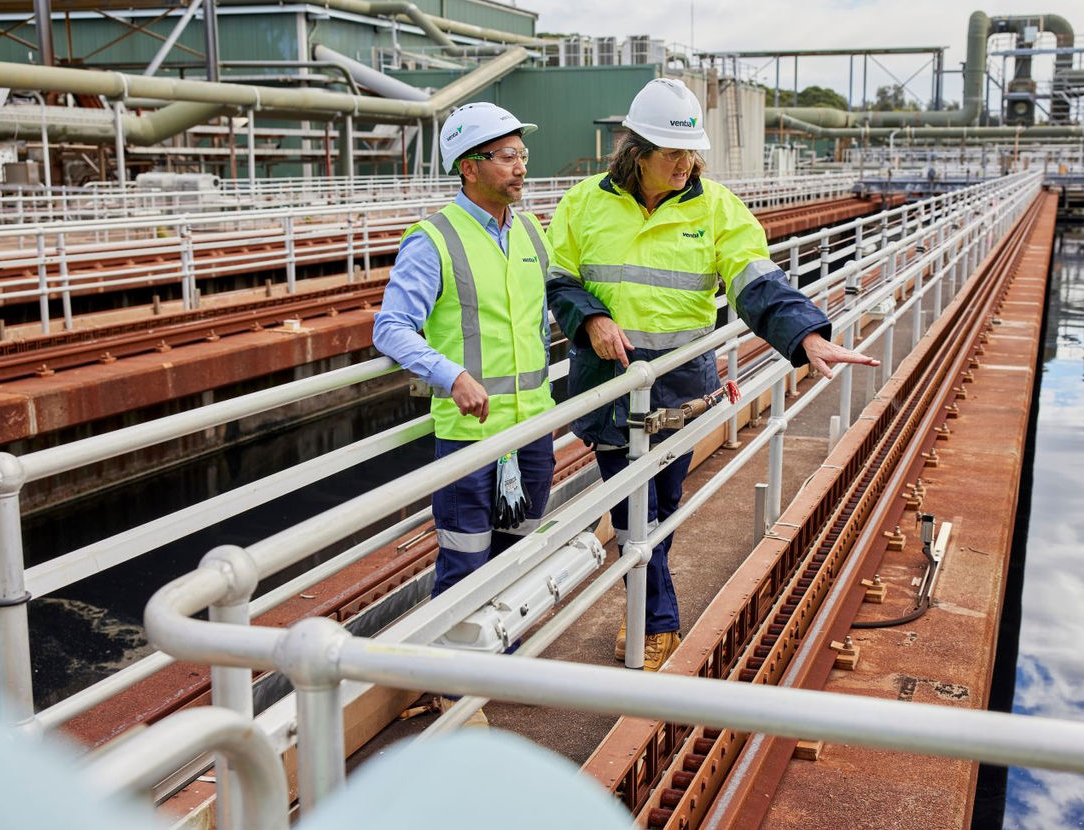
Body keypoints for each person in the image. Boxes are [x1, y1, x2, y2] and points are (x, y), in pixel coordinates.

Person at [545, 78, 879, 672]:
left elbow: (754, 278)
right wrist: (590, 317)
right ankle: (655, 622)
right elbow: (559, 279)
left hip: (680, 392)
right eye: (673, 153)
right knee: (633, 512)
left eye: (692, 152)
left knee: (662, 506)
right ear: (638, 151)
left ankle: (646, 602)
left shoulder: (716, 207)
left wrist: (804, 334)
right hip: (611, 386)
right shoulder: (583, 204)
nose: (686, 163)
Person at [373, 103, 556, 720]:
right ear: (469, 167)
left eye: (521, 154)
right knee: (465, 561)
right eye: (507, 156)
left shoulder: (531, 234)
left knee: (517, 555)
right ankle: (454, 693)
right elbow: (391, 328)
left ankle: (500, 663)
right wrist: (449, 375)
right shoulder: (435, 240)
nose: (521, 166)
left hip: (531, 428)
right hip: (469, 438)